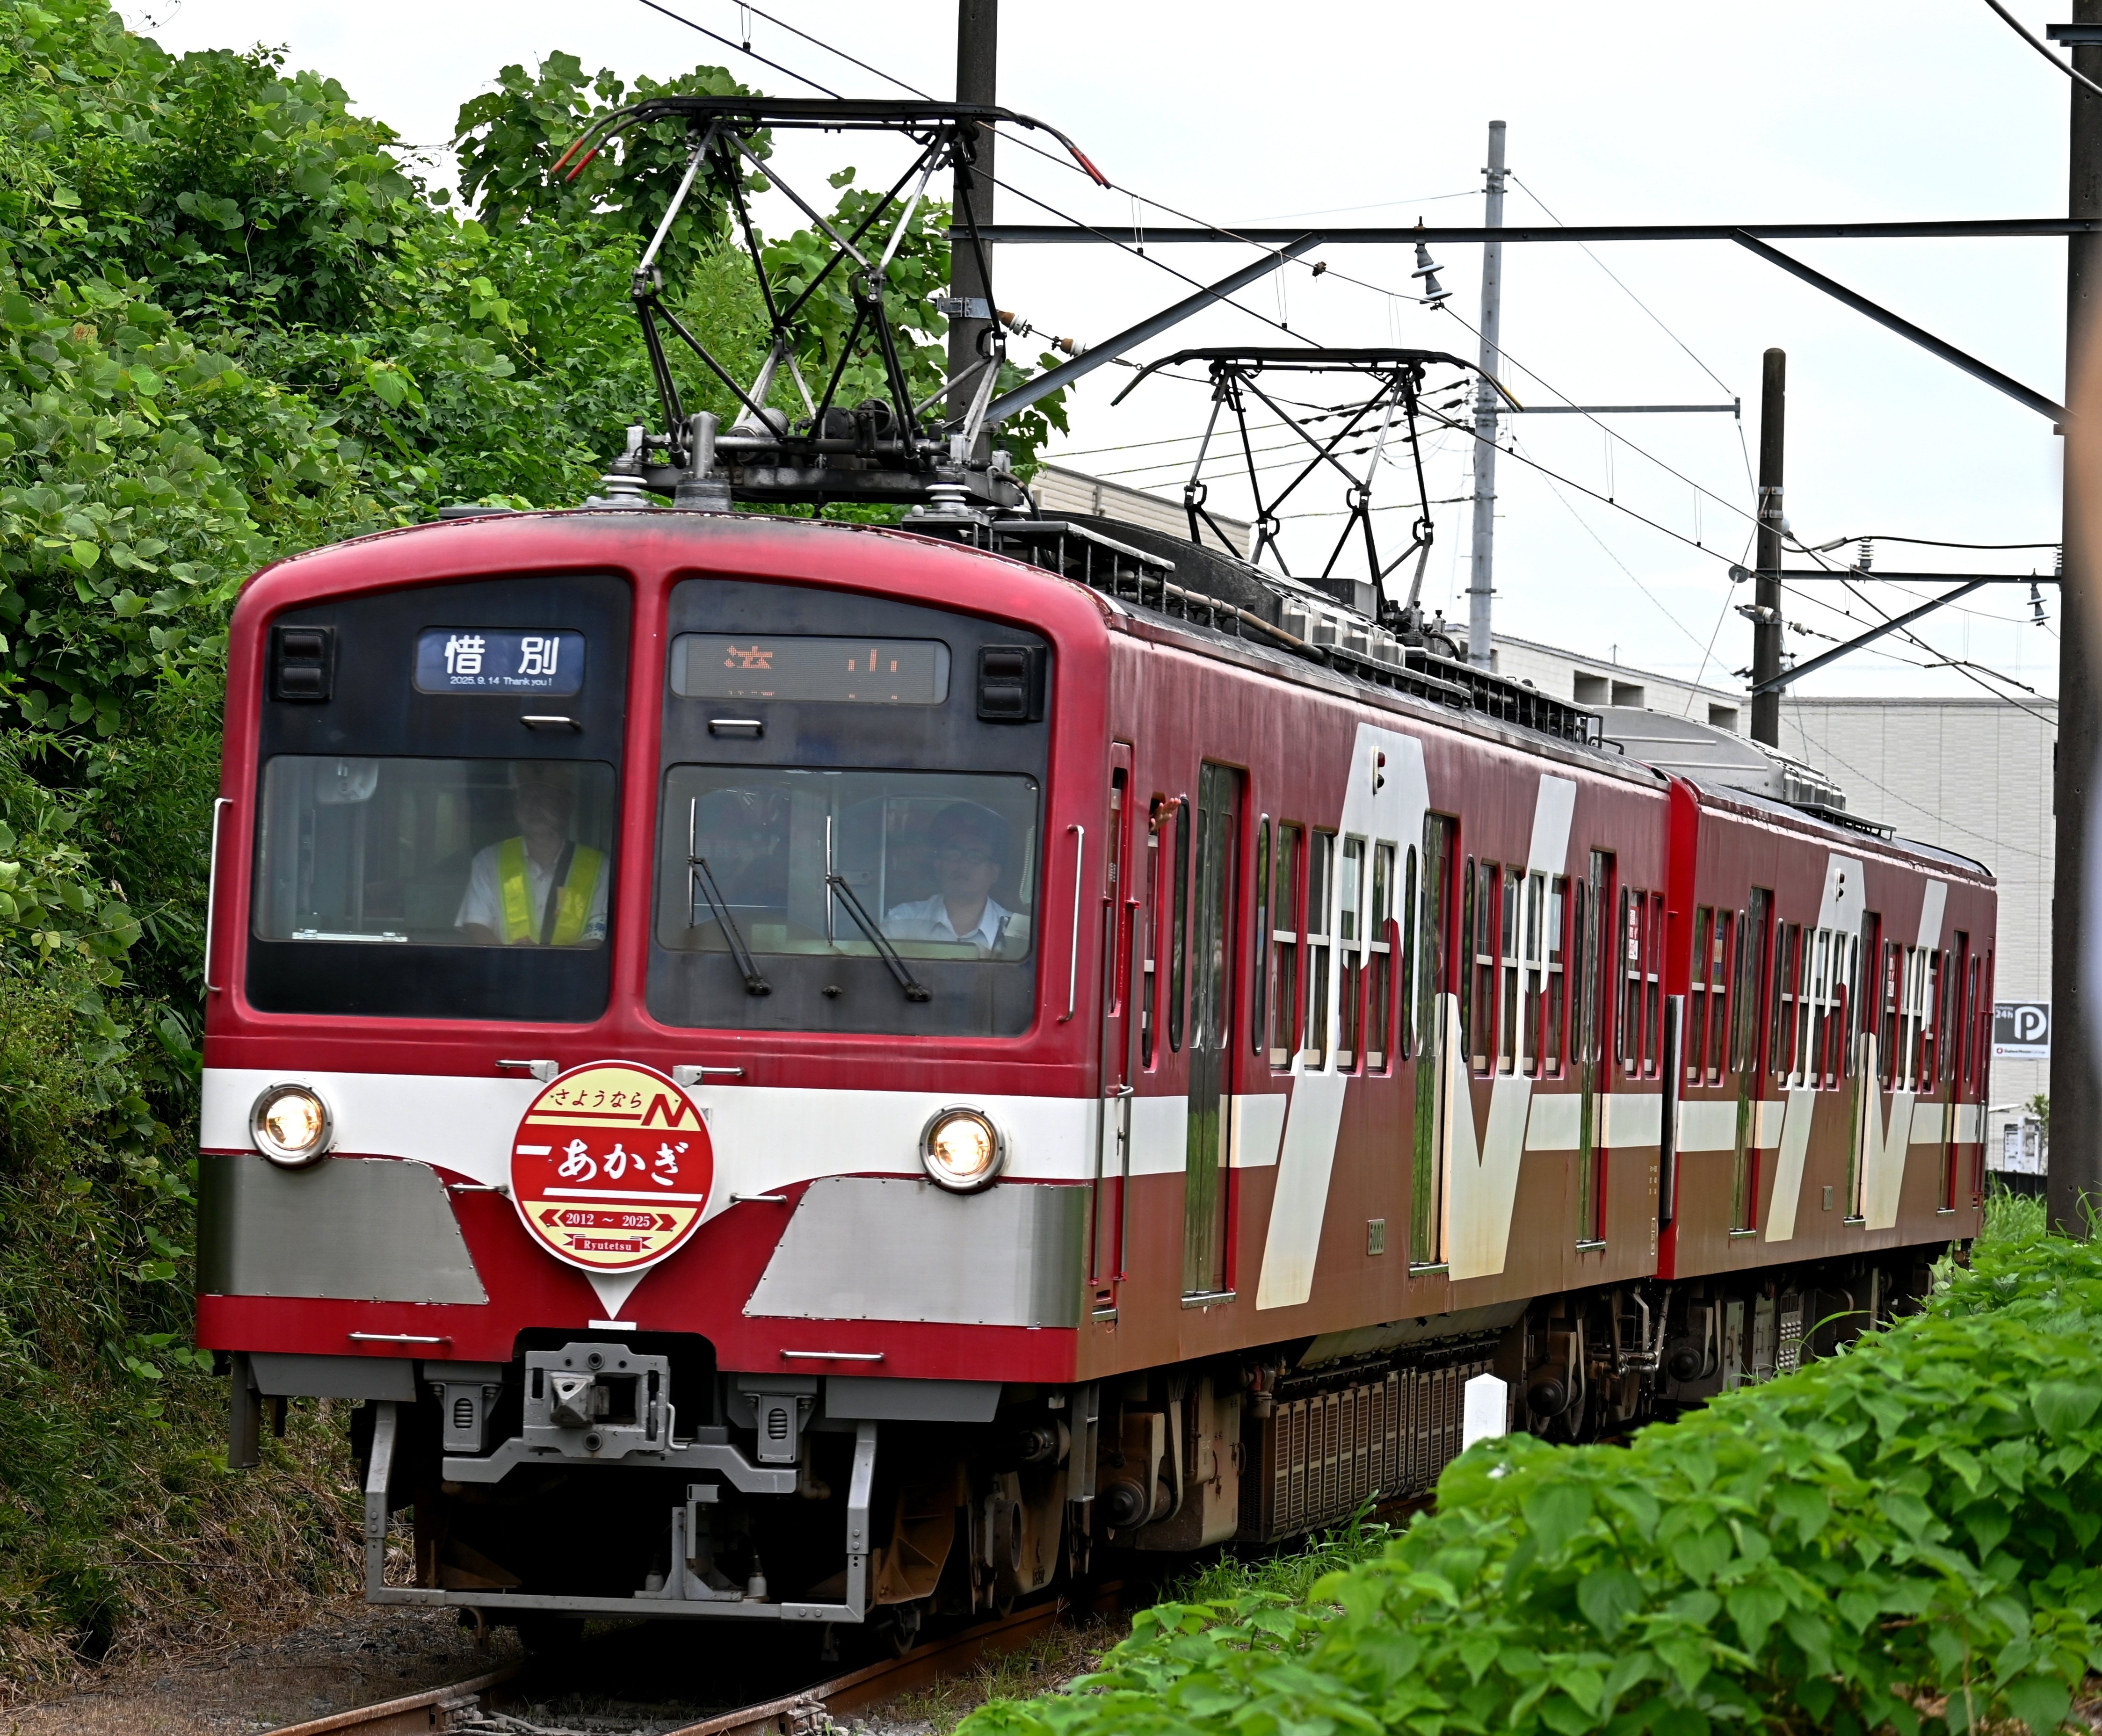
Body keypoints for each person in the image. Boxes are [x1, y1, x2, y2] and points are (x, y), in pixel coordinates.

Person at [456, 765, 608, 946]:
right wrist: (511, 957)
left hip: (572, 966)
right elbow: (477, 925)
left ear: (567, 804)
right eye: (527, 797)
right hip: (503, 964)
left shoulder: (598, 867)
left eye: (546, 797)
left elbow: (597, 937)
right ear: (516, 805)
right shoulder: (489, 860)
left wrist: (548, 960)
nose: (535, 807)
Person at [884, 803, 1014, 952]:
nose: (963, 864)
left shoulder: (1014, 931)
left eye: (975, 856)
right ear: (938, 867)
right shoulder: (902, 921)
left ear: (995, 873)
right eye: (953, 855)